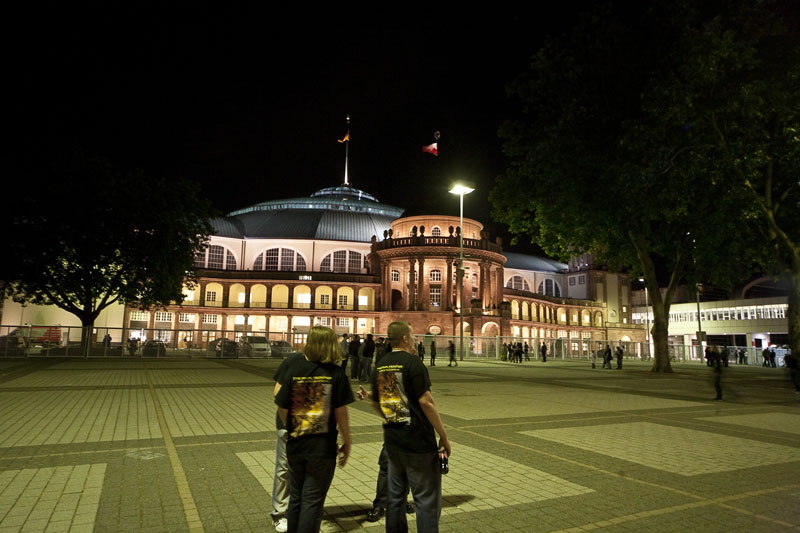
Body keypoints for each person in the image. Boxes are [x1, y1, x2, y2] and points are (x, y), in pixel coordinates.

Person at [358, 321, 451, 533]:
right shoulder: (413, 363)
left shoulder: (381, 364)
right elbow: (426, 402)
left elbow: (376, 401)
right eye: (412, 336)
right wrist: (443, 435)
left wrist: (391, 417)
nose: (415, 340)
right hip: (418, 442)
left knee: (395, 498)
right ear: (405, 339)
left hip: (393, 441)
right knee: (426, 498)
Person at [275, 326, 354, 533]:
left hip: (297, 444)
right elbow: (340, 411)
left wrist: (293, 427)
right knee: (313, 500)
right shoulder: (335, 373)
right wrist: (347, 440)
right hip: (322, 446)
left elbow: (282, 406)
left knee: (297, 497)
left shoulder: (295, 369)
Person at [270, 349, 307, 532]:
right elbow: (277, 391)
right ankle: (279, 513)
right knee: (284, 469)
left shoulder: (325, 363)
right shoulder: (294, 361)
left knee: (305, 469)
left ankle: (298, 509)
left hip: (311, 428)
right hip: (288, 424)